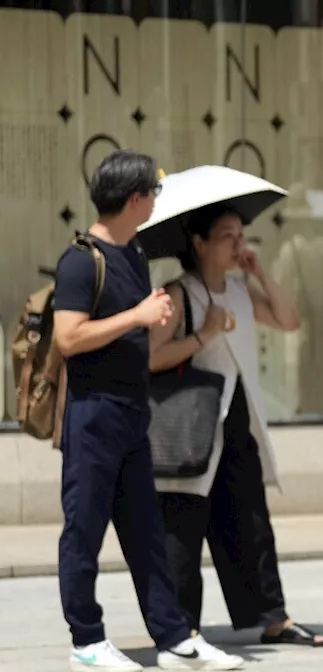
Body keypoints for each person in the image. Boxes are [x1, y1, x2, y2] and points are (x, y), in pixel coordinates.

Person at [53, 150, 244, 671]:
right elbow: (68, 337)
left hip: (134, 415)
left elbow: (131, 328)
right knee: (84, 532)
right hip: (93, 417)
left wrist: (151, 317)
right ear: (135, 199)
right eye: (154, 193)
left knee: (147, 535)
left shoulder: (134, 253)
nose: (158, 201)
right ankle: (87, 642)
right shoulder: (81, 259)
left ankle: (175, 638)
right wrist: (136, 315)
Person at [148, 205, 323, 646]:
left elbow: (289, 320)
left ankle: (273, 618)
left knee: (251, 521)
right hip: (192, 423)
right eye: (226, 235)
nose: (237, 244)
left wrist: (261, 272)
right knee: (183, 527)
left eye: (240, 235)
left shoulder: (242, 291)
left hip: (238, 419)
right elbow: (150, 357)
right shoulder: (177, 292)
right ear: (199, 243)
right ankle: (181, 625)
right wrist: (203, 336)